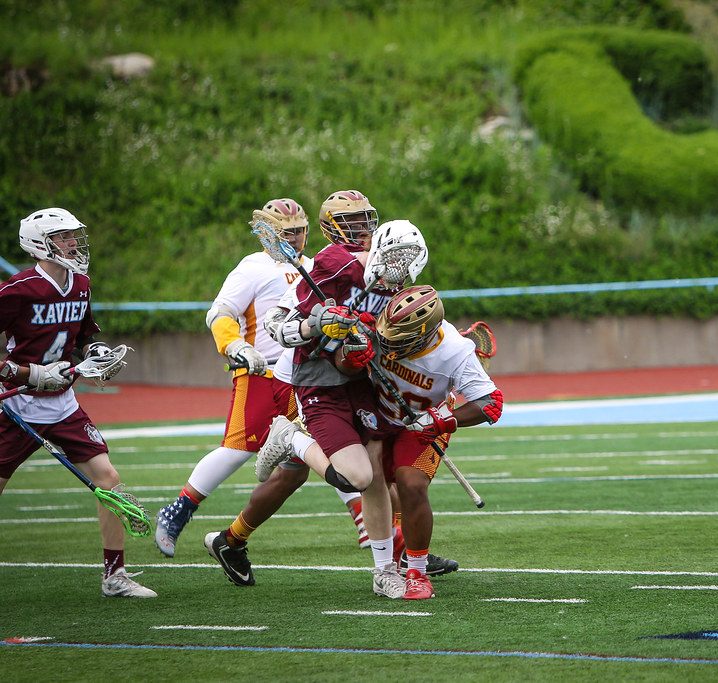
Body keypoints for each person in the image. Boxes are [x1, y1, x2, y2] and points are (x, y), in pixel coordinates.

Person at [204, 191, 424, 599]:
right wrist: (320, 324)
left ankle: (384, 570)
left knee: (376, 471)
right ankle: (290, 436)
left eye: (367, 220)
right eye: (353, 222)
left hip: (361, 379)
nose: (363, 230)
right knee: (354, 477)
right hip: (316, 377)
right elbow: (284, 327)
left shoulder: (389, 274)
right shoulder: (329, 263)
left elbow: (390, 329)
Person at [252, 284, 502, 600]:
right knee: (364, 483)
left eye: (399, 338)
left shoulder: (456, 350)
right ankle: (388, 563)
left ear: (424, 336)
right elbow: (342, 364)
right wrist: (352, 357)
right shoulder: (377, 323)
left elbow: (490, 404)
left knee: (411, 485)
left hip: (421, 423)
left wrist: (443, 420)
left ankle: (417, 572)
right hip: (373, 414)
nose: (387, 340)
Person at [153, 198, 351, 556]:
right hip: (261, 370)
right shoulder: (253, 267)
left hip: (303, 373)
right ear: (269, 234)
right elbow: (221, 312)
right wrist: (234, 346)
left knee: (329, 449)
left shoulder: (313, 266)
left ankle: (383, 537)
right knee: (238, 449)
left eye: (301, 231)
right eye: (289, 233)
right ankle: (179, 509)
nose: (297, 238)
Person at [0, 208, 155, 598]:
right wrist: (29, 374)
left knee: (109, 481)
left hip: (63, 403)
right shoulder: (18, 289)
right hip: (19, 406)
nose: (73, 243)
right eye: (64, 237)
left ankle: (114, 575)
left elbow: (84, 334)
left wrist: (96, 352)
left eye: (73, 236)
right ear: (40, 243)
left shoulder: (80, 283)